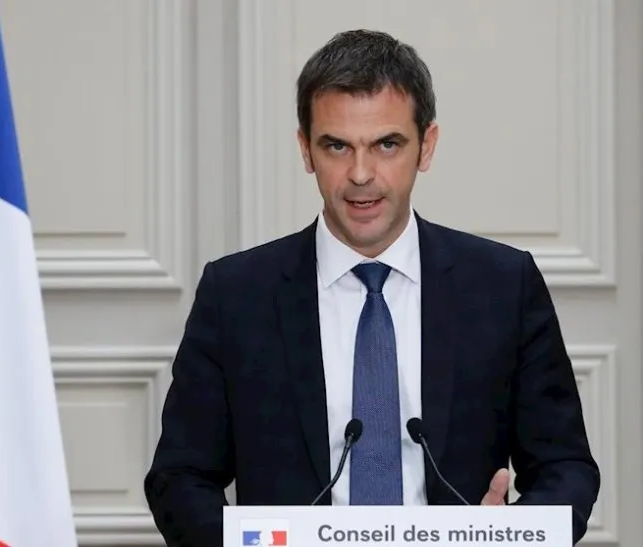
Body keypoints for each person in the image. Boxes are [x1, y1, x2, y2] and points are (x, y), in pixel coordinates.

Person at [144, 29, 600, 546]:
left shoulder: (503, 285)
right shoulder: (236, 294)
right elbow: (179, 479)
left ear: (426, 146)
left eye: (387, 144)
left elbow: (566, 466)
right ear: (306, 150)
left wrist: (511, 536)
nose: (361, 174)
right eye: (337, 146)